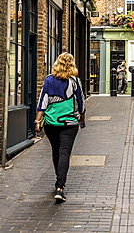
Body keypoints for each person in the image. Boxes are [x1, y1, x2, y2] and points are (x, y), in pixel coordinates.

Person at [35, 52, 86, 202]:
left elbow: (42, 102)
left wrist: (37, 121)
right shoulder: (75, 81)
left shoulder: (49, 80)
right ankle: (60, 187)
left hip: (51, 123)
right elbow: (81, 103)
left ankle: (59, 178)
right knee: (65, 153)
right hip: (69, 124)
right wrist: (82, 119)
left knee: (56, 151)